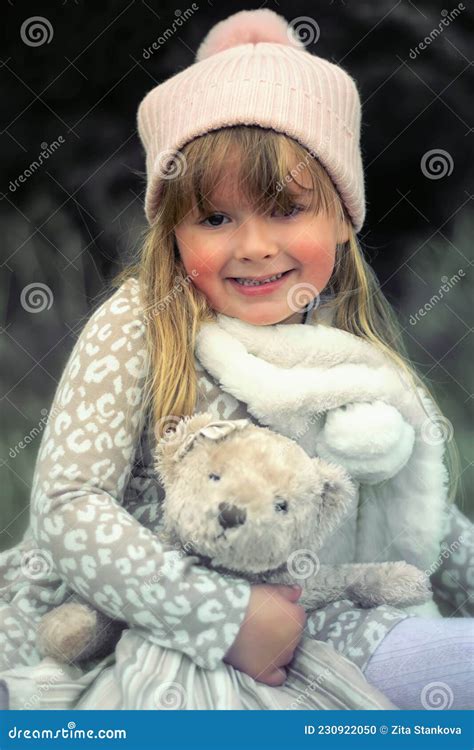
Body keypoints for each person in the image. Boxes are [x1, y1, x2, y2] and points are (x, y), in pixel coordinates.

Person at [0, 9, 472, 711]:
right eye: (215, 218)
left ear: (343, 214)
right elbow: (71, 509)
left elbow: (431, 520)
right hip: (121, 631)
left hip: (328, 621)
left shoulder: (347, 350)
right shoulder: (143, 324)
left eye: (286, 210)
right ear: (173, 230)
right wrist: (226, 618)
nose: (252, 245)